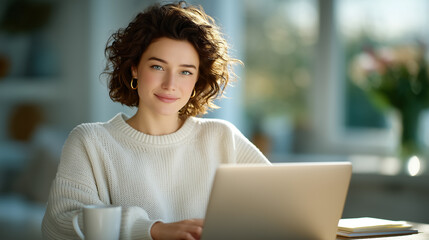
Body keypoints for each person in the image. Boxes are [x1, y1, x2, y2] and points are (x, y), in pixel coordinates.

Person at [42, 1, 270, 239]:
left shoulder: (222, 137)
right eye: (158, 67)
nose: (170, 85)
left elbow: (281, 204)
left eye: (185, 72)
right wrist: (153, 230)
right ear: (134, 69)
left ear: (196, 81)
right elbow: (58, 225)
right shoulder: (90, 141)